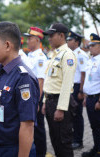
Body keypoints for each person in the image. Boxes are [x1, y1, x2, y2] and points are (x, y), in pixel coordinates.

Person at [0, 21, 39, 157]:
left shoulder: (23, 78)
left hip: (14, 150)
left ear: (7, 45)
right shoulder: (0, 72)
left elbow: (27, 126)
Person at [42, 23, 77, 157]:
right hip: (51, 102)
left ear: (61, 35)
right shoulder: (54, 54)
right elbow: (50, 80)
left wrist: (61, 108)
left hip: (60, 103)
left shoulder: (67, 55)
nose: (49, 39)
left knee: (64, 142)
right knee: (55, 140)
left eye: (52, 35)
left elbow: (67, 84)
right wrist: (45, 101)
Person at [23, 27, 47, 157]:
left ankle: (41, 154)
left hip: (35, 97)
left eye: (30, 38)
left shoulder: (40, 57)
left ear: (37, 40)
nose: (27, 40)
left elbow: (40, 81)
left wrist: (36, 101)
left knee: (38, 129)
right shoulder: (30, 55)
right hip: (29, 96)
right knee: (32, 127)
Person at [67, 30, 89, 150]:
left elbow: (83, 74)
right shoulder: (70, 53)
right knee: (70, 114)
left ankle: (78, 140)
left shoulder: (80, 54)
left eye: (70, 40)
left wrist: (81, 91)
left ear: (76, 42)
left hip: (76, 87)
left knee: (77, 114)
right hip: (70, 87)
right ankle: (73, 138)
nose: (68, 42)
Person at [82, 33, 100, 157]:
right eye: (90, 45)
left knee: (99, 127)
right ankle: (96, 147)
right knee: (94, 126)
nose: (90, 47)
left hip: (97, 98)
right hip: (89, 98)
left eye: (93, 45)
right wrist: (85, 96)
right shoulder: (91, 60)